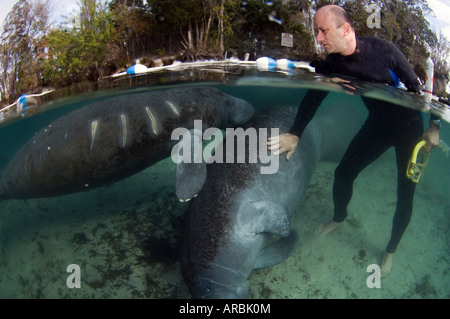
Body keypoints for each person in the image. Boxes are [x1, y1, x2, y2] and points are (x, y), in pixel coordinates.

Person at [267, 4, 441, 275]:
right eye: (317, 32)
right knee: (343, 173)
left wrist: (434, 127)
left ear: (345, 29)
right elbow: (314, 95)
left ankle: (390, 250)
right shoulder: (332, 63)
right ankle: (339, 217)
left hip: (408, 128)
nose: (319, 39)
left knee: (405, 195)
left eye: (322, 31)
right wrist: (295, 133)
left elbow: (423, 94)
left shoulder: (384, 52)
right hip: (377, 125)